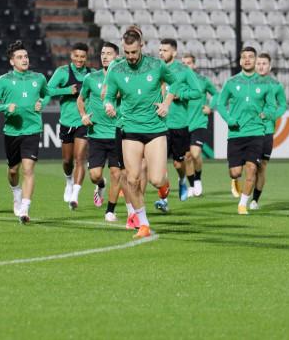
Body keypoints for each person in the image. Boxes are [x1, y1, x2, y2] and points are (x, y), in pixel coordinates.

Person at [104, 28, 176, 238]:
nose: (131, 57)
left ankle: (164, 185)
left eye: (134, 52)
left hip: (155, 128)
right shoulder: (117, 70)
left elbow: (175, 82)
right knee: (132, 179)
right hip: (130, 128)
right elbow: (108, 95)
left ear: (141, 46)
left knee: (156, 179)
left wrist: (167, 103)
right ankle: (143, 224)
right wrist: (109, 105)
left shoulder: (156, 65)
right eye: (127, 52)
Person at [0, 41, 48, 224]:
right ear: (12, 61)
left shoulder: (39, 78)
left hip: (33, 129)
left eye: (26, 56)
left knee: (28, 169)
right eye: (20, 57)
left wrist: (42, 103)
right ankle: (16, 193)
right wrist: (6, 107)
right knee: (13, 171)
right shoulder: (4, 80)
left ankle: (25, 209)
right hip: (12, 132)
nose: (24, 59)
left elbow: (47, 93)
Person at [216, 46, 276, 215]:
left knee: (252, 168)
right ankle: (235, 180)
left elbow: (272, 106)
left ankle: (242, 204)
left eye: (251, 56)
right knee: (235, 172)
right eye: (244, 57)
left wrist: (267, 114)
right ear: (240, 61)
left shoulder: (265, 83)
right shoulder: (231, 82)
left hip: (257, 132)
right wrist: (229, 120)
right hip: (236, 133)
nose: (247, 59)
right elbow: (220, 104)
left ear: (255, 60)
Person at [77, 41, 124, 221]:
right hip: (96, 133)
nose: (104, 56)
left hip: (117, 133)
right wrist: (83, 115)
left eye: (109, 53)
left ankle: (110, 211)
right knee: (95, 175)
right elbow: (80, 99)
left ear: (117, 57)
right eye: (103, 53)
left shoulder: (124, 78)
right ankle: (101, 185)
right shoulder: (91, 78)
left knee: (116, 174)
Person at [42, 43, 92, 209]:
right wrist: (66, 91)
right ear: (71, 56)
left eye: (82, 57)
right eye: (76, 56)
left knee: (80, 159)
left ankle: (75, 196)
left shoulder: (91, 74)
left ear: (86, 57)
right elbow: (47, 90)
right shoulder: (62, 72)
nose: (79, 59)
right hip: (66, 122)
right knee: (67, 161)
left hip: (83, 121)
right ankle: (69, 181)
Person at [155, 39, 202, 211]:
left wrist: (179, 94)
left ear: (174, 53)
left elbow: (197, 92)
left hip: (179, 124)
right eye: (160, 50)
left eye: (165, 50)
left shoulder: (184, 70)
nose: (161, 53)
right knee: (160, 165)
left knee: (177, 164)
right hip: (158, 124)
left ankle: (182, 180)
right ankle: (164, 200)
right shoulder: (155, 69)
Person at [252, 52, 287, 209]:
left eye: (264, 64)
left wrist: (271, 116)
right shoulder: (247, 83)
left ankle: (255, 200)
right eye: (258, 63)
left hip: (267, 130)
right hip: (250, 130)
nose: (261, 66)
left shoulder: (276, 85)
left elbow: (283, 105)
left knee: (262, 166)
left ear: (270, 66)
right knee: (250, 165)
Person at [181, 53, 218, 197]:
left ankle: (198, 179)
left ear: (194, 65)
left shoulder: (203, 81)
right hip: (183, 124)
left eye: (189, 63)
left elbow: (216, 94)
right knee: (187, 157)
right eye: (183, 63)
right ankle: (191, 186)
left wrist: (210, 107)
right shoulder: (178, 82)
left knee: (195, 153)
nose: (186, 66)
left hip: (199, 122)